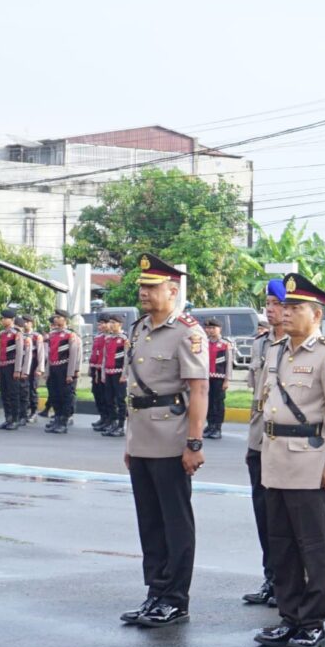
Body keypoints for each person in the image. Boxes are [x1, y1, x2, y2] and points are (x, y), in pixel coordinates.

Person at [251, 274, 325, 647]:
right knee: (281, 545)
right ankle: (289, 617)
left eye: (295, 308)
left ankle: (312, 622)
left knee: (314, 547)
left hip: (309, 460)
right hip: (274, 458)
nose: (286, 314)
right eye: (284, 307)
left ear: (317, 314)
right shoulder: (276, 352)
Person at [122, 255, 209, 628]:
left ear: (173, 291)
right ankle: (155, 591)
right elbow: (134, 390)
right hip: (141, 436)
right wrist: (128, 442)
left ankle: (175, 598)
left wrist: (194, 443)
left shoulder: (188, 332)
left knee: (175, 521)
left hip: (171, 436)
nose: (144, 293)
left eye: (152, 287)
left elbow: (199, 388)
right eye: (142, 287)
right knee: (150, 521)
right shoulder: (140, 328)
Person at [242, 293, 289, 609]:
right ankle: (271, 577)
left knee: (287, 520)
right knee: (264, 514)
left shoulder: (302, 347)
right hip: (259, 438)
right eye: (268, 304)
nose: (270, 310)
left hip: (286, 444)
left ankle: (289, 583)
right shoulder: (260, 344)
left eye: (277, 304)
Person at [43, 311, 81, 432]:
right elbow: (49, 355)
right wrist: (47, 372)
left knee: (65, 396)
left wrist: (70, 373)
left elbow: (73, 355)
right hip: (54, 368)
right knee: (54, 395)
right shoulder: (52, 334)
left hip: (64, 368)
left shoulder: (70, 335)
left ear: (65, 319)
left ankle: (63, 422)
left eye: (58, 317)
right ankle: (57, 419)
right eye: (55, 317)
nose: (56, 319)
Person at [88, 313, 120, 433]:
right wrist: (91, 370)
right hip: (97, 369)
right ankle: (103, 417)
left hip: (107, 370)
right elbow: (93, 353)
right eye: (99, 323)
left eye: (103, 323)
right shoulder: (98, 337)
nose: (100, 326)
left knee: (109, 397)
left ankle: (111, 419)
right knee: (98, 394)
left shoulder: (113, 337)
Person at [204, 317, 232, 439]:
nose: (210, 330)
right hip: (206, 378)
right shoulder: (205, 342)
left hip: (219, 378)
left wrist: (227, 379)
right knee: (208, 403)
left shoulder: (225, 344)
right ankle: (210, 426)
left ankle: (217, 428)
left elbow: (229, 363)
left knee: (218, 403)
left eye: (213, 328)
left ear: (219, 329)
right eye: (208, 328)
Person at [105, 310, 130, 435]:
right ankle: (113, 423)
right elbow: (105, 357)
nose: (110, 325)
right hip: (109, 372)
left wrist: (124, 374)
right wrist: (103, 373)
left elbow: (127, 358)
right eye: (110, 322)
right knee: (109, 399)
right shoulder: (108, 338)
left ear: (120, 324)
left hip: (119, 373)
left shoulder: (124, 338)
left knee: (121, 400)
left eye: (113, 322)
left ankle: (121, 425)